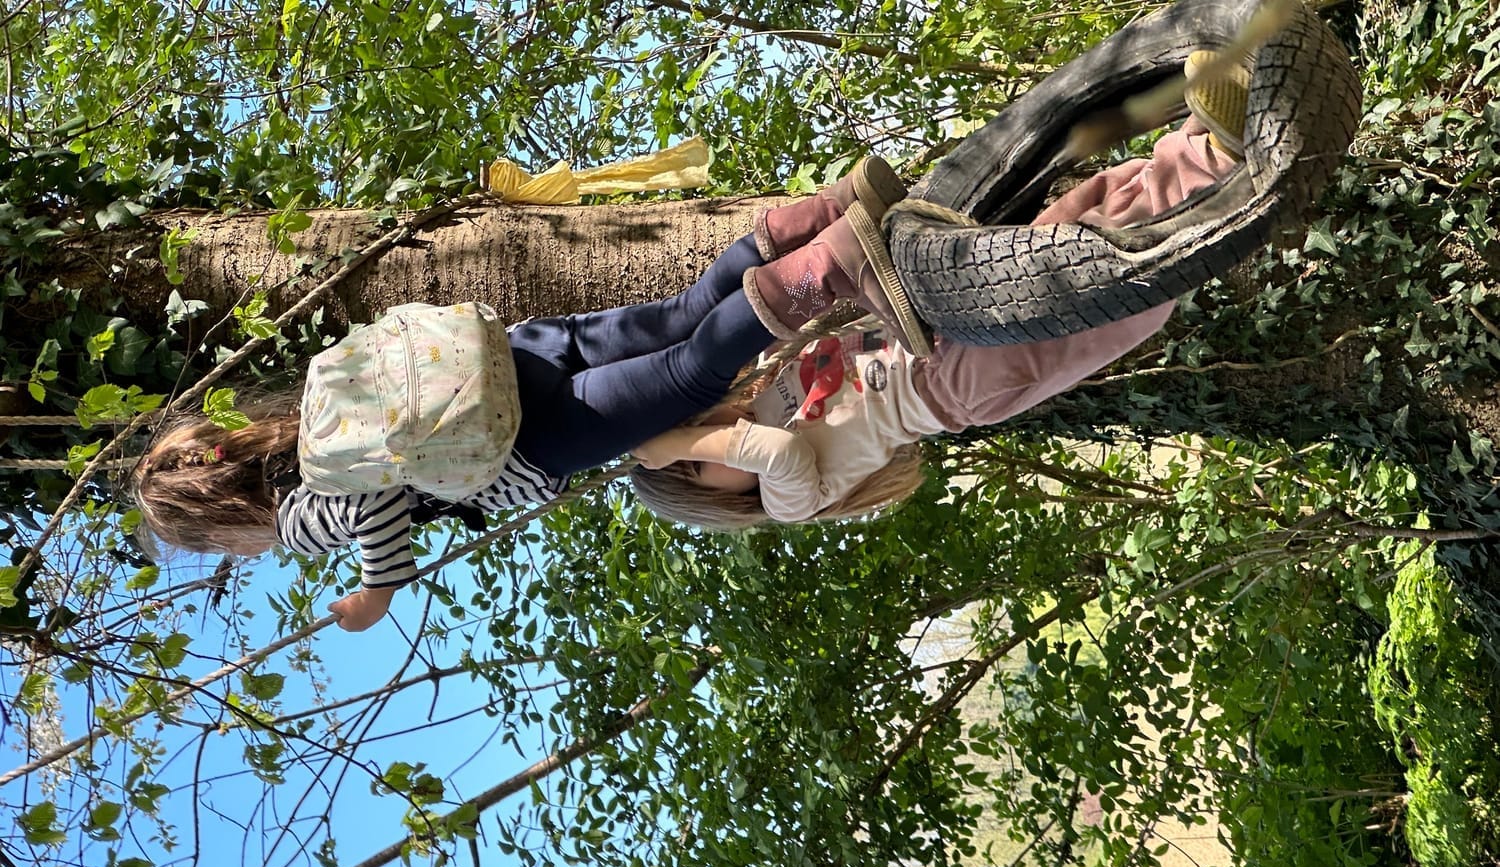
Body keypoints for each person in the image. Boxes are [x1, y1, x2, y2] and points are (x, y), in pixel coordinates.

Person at [130, 155, 914, 630]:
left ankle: (832, 264)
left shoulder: (299, 511)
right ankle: (827, 210)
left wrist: (378, 591)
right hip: (515, 356)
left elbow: (375, 503)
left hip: (528, 439)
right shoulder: (311, 416)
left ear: (224, 522)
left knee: (691, 376)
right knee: (681, 313)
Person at [629, 52, 1252, 531]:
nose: (701, 451)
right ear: (719, 502)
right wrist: (679, 443)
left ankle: (1192, 145)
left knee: (1061, 235)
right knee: (1087, 293)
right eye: (694, 471)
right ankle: (1219, 170)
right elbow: (779, 452)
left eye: (691, 444)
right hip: (949, 386)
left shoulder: (760, 380)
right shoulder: (787, 498)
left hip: (929, 317)